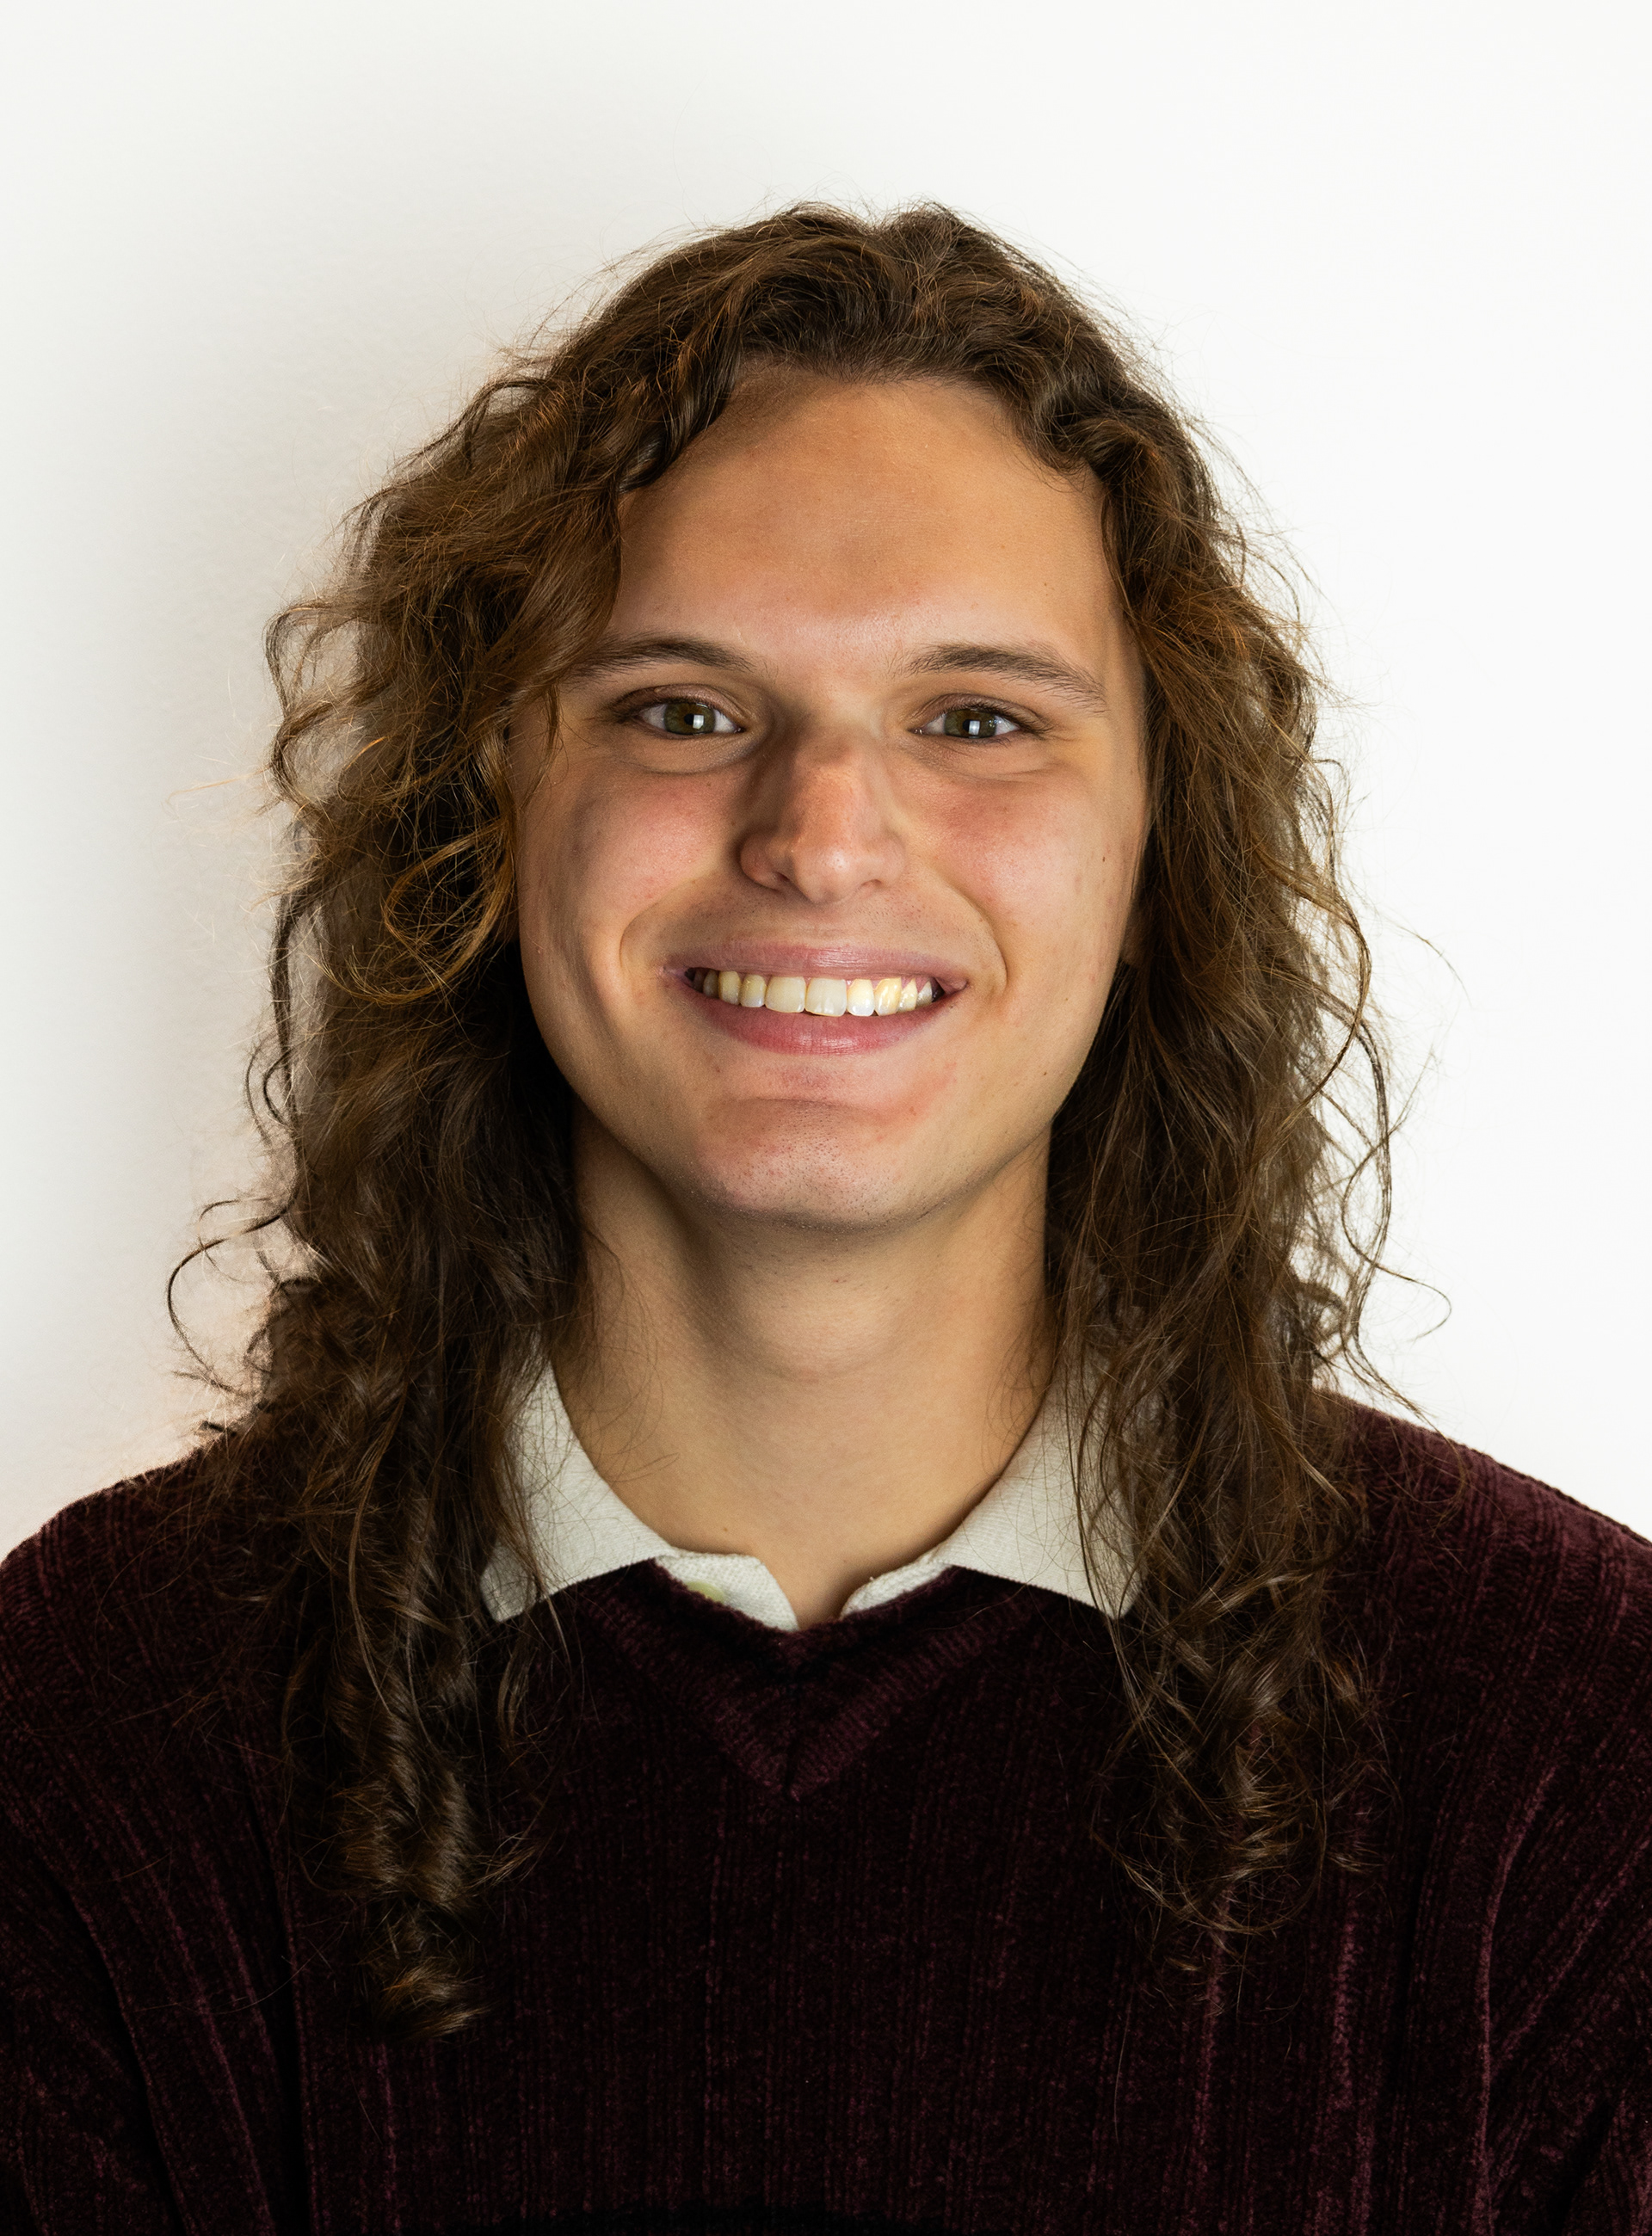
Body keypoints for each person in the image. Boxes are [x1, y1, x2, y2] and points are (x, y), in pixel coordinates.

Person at [2, 204, 1648, 2236]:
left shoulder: (1577, 1763)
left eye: (978, 718)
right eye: (683, 708)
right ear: (492, 810)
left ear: (1162, 843)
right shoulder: (83, 1734)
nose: (822, 836)